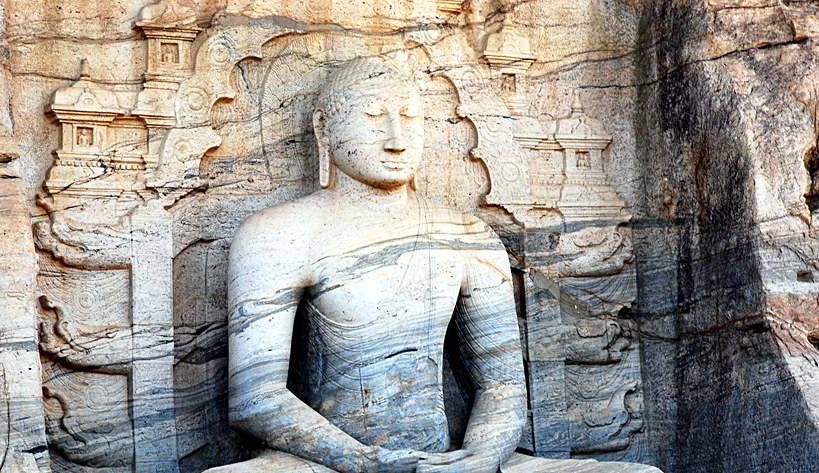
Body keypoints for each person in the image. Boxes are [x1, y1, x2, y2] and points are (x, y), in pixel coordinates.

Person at [208, 56, 661, 473]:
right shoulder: (276, 235)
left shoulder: (467, 237)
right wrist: (363, 461)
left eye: (410, 118)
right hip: (327, 463)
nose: (396, 140)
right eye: (373, 117)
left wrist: (479, 459)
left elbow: (501, 386)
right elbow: (256, 398)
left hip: (446, 462)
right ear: (323, 128)